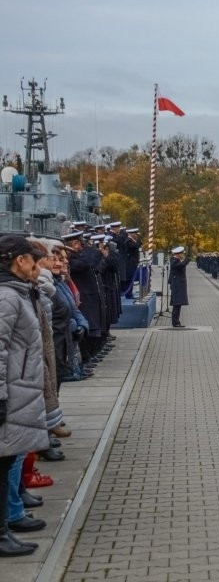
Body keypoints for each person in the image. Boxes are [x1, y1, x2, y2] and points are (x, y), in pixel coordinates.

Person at [0, 235, 51, 557]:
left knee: (7, 463)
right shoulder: (6, 297)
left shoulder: (17, 292)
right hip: (12, 391)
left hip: (21, 390)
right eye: (33, 260)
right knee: (3, 464)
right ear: (20, 260)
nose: (38, 266)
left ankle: (5, 527)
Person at [169, 246, 190, 328]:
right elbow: (180, 265)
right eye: (182, 254)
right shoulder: (174, 261)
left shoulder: (176, 260)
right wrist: (186, 260)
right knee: (177, 304)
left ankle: (176, 321)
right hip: (177, 286)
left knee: (178, 304)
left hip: (178, 285)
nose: (183, 255)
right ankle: (175, 322)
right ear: (178, 254)